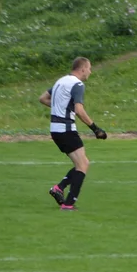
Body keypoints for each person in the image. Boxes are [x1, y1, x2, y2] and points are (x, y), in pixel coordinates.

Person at [38, 56, 107, 211]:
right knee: (83, 164)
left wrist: (59, 107)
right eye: (89, 68)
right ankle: (68, 204)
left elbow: (42, 98)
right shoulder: (77, 84)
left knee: (81, 163)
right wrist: (95, 128)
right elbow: (79, 110)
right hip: (66, 129)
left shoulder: (61, 81)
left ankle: (59, 188)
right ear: (82, 68)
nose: (90, 71)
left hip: (55, 130)